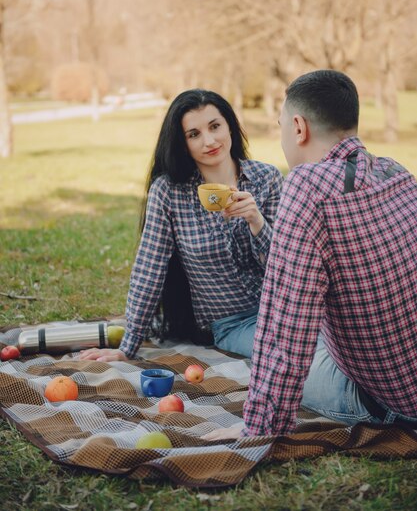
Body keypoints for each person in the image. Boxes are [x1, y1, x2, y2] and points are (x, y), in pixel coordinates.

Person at [204, 69, 417, 441]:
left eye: (281, 124)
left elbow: (286, 325)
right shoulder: (395, 172)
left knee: (267, 353)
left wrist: (259, 427)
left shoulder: (307, 186)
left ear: (299, 128)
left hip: (389, 399)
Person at [79, 88, 284, 362]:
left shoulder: (267, 178)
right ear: (182, 143)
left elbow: (287, 266)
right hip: (232, 324)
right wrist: (127, 347)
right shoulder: (168, 191)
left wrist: (257, 222)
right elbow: (149, 268)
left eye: (215, 126)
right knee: (300, 357)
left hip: (285, 307)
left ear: (230, 127)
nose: (209, 140)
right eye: (194, 134)